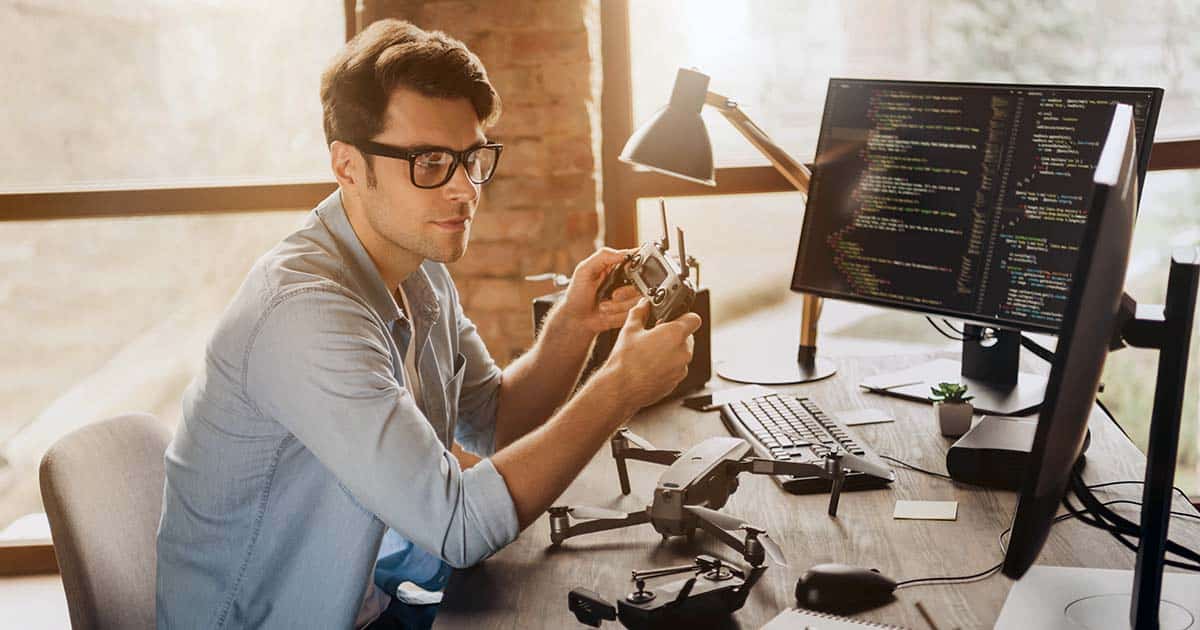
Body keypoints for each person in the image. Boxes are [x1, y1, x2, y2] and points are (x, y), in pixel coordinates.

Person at [155, 18, 701, 630]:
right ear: (347, 166)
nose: (465, 190)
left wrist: (576, 327)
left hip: (375, 597)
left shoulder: (416, 266)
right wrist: (619, 389)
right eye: (430, 162)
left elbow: (493, 422)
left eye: (471, 158)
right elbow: (459, 527)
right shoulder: (306, 314)